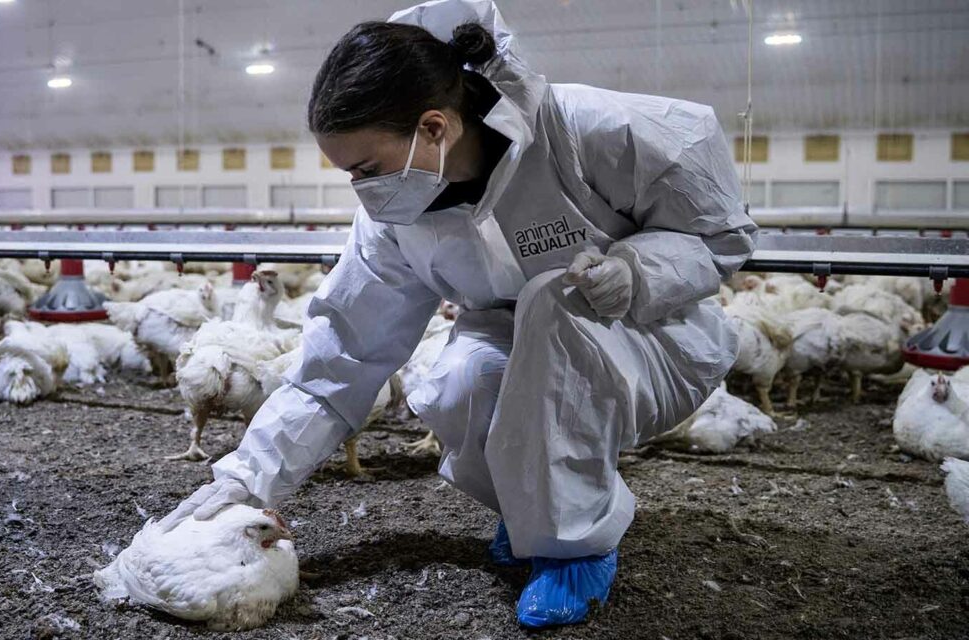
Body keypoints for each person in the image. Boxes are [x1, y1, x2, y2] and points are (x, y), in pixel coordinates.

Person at [159, 0, 756, 628]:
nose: (363, 189)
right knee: (453, 385)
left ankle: (574, 547)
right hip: (526, 339)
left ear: (434, 128)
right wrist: (251, 477)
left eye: (366, 168)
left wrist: (639, 270)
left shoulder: (597, 131)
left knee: (556, 301)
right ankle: (534, 510)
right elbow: (346, 352)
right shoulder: (396, 220)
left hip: (651, 339)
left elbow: (722, 236)